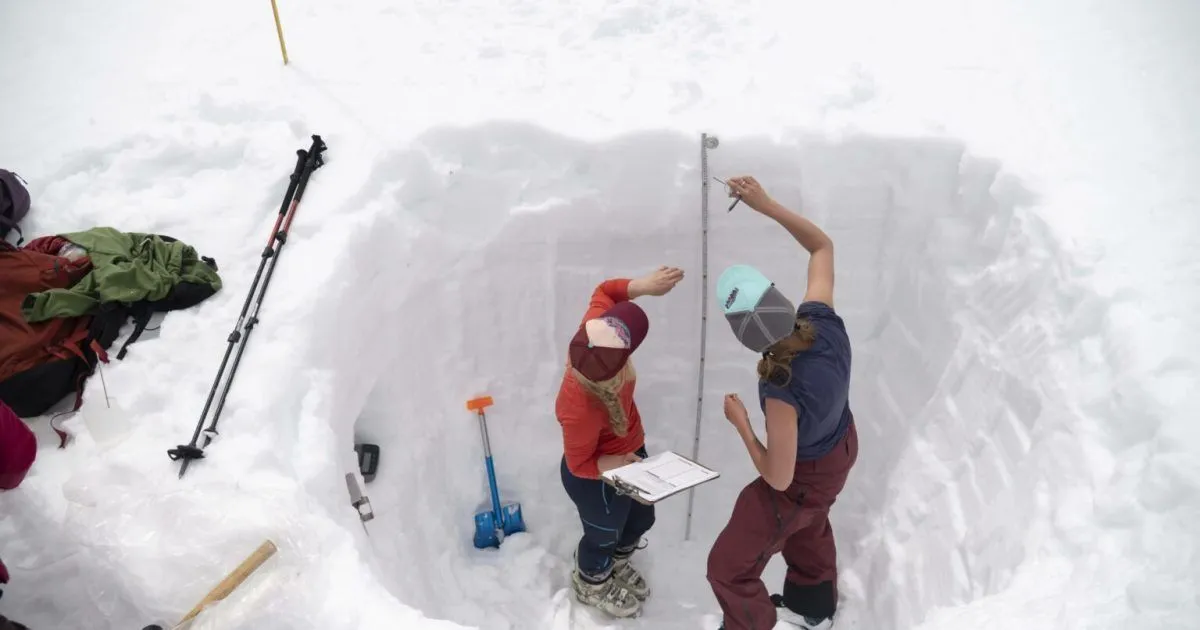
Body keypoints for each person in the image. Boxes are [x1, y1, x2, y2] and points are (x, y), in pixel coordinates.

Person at [706, 176, 859, 630]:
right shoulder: (822, 322)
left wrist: (742, 425)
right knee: (810, 526)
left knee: (727, 568)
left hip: (803, 478)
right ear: (781, 300)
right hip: (841, 447)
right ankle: (813, 607)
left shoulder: (781, 388)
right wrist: (766, 205)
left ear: (741, 336)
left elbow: (778, 475)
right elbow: (822, 248)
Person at [556, 265, 685, 618]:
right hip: (594, 477)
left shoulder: (595, 331)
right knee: (603, 532)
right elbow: (577, 463)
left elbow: (605, 291)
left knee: (642, 518)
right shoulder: (578, 409)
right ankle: (592, 579)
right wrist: (614, 465)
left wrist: (643, 286)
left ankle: (617, 561)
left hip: (629, 454)